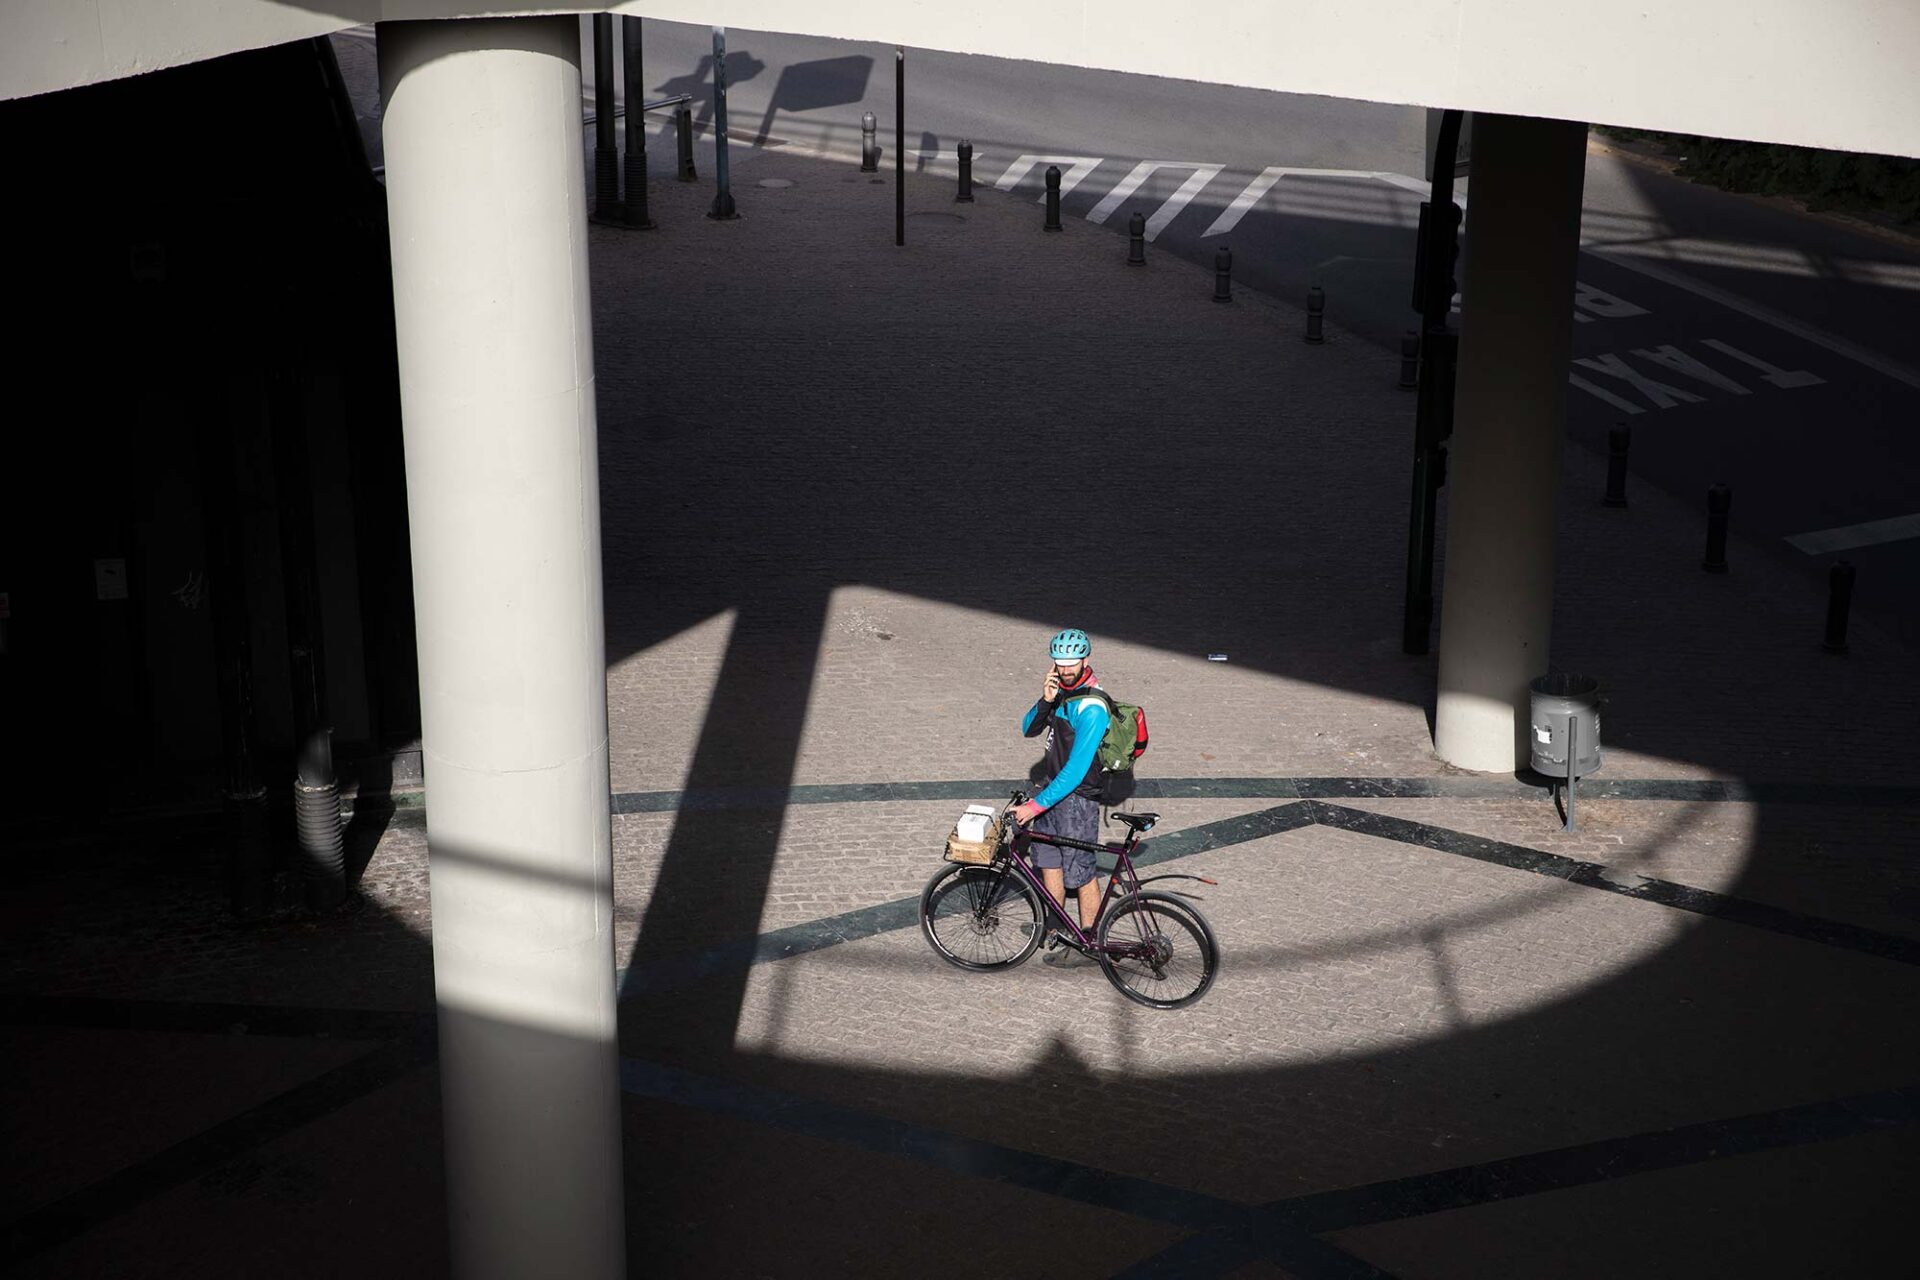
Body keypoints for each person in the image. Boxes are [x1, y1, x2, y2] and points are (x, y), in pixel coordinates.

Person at [1011, 628, 1111, 969]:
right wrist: (1045, 699)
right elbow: (1028, 728)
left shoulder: (1092, 707)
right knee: (1048, 861)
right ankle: (1055, 927)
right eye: (1060, 664)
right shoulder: (1062, 693)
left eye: (1071, 664)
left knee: (1081, 873)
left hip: (1077, 800)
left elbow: (1076, 771)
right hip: (1051, 790)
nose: (1066, 670)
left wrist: (1033, 806)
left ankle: (1089, 942)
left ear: (1086, 659)